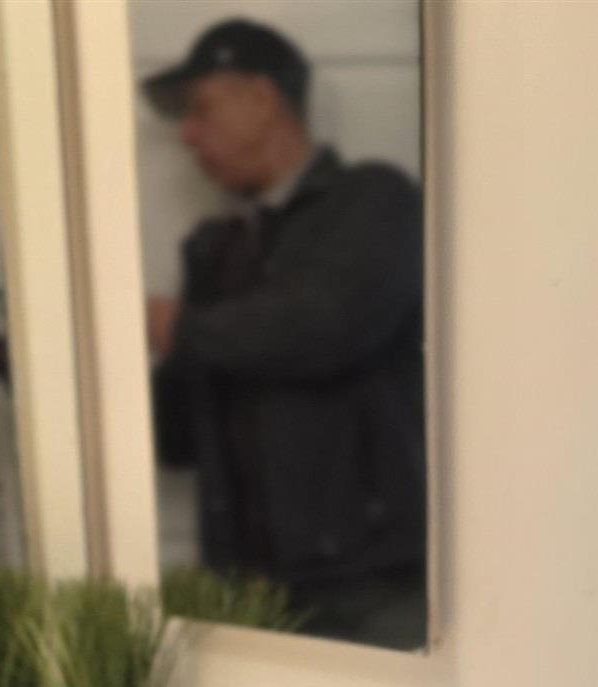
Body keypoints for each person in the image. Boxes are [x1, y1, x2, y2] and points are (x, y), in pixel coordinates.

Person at [143, 19, 425, 647]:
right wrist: (34, 366)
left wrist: (176, 325)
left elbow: (322, 325)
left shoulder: (373, 201)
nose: (187, 135)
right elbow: (179, 434)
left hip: (372, 583)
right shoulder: (215, 248)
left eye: (200, 109)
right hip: (252, 595)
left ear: (261, 98)